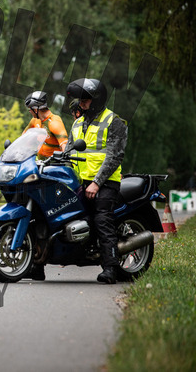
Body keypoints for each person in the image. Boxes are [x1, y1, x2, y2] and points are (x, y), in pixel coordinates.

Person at [66, 78, 127, 284]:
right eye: (80, 100)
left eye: (85, 99)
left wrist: (97, 183)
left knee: (102, 219)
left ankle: (111, 268)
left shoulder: (114, 121)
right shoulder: (77, 123)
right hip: (80, 182)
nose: (81, 103)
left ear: (97, 99)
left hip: (106, 183)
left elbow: (114, 156)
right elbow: (68, 152)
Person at [23, 91, 68, 159]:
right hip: (38, 162)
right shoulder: (34, 120)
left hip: (53, 163)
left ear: (35, 109)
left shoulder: (54, 122)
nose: (30, 112)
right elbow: (24, 136)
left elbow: (64, 145)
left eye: (30, 109)